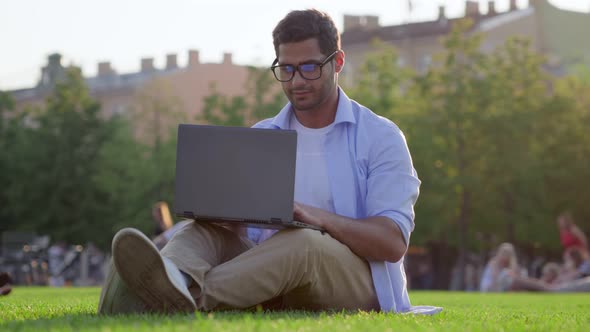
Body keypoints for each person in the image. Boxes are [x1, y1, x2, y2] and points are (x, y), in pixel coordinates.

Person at [98, 9, 440, 315]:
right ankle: (171, 279)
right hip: (270, 276)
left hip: (357, 284)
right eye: (286, 69)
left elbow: (392, 243)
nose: (296, 81)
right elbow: (243, 233)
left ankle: (179, 300)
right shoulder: (263, 135)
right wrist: (222, 215)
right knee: (200, 229)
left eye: (309, 67)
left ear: (337, 62)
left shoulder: (381, 136)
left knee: (303, 242)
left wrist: (315, 217)